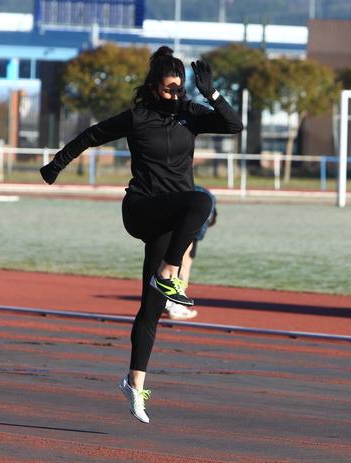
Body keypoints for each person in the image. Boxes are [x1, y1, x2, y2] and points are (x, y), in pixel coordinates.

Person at [40, 46, 242, 424]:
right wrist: (55, 165)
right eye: (169, 89)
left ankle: (134, 383)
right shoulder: (137, 118)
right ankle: (169, 275)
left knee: (150, 309)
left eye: (180, 89)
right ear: (152, 88)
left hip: (171, 218)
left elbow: (234, 126)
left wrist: (211, 93)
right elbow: (90, 136)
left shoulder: (190, 115)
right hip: (141, 208)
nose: (175, 95)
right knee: (202, 202)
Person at [163, 185, 217, 320]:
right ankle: (176, 305)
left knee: (166, 262)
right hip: (189, 222)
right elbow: (207, 219)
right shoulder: (206, 198)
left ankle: (166, 301)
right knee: (184, 264)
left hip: (169, 216)